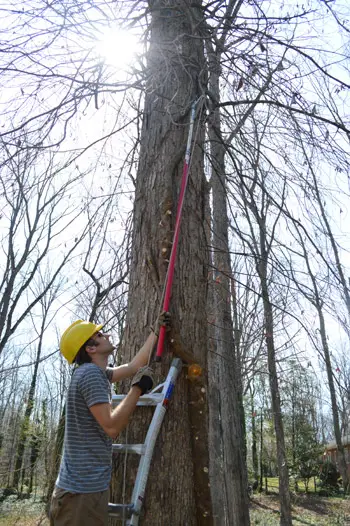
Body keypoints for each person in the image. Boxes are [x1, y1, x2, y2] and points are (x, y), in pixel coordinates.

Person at [49, 312, 170, 526]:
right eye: (100, 334)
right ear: (91, 348)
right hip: (80, 495)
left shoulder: (96, 373)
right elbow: (112, 427)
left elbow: (132, 366)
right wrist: (138, 388)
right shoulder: (90, 375)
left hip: (84, 490)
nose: (106, 335)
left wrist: (155, 332)